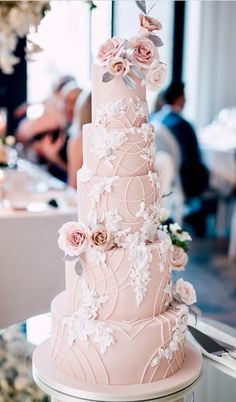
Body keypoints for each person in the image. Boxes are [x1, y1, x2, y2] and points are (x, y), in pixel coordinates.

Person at [150, 81, 209, 200]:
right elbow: (193, 159)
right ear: (181, 98)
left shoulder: (153, 119)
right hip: (181, 179)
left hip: (158, 175)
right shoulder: (183, 125)